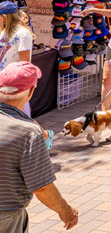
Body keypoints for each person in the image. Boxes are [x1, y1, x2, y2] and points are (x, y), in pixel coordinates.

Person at [0, 62, 78, 231]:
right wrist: (65, 210)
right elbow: (42, 187)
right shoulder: (28, 133)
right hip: (5, 216)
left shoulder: (29, 130)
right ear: (31, 91)